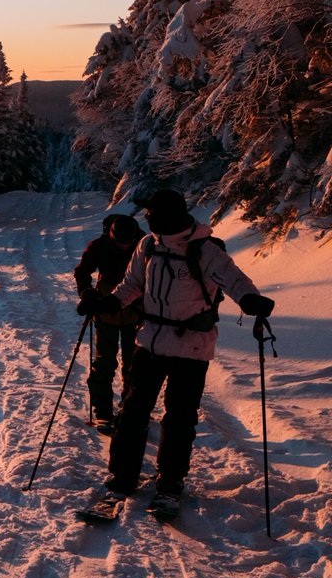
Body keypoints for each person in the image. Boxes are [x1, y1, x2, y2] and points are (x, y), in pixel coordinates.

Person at [77, 189, 275, 511]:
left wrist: (250, 300)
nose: (147, 217)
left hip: (192, 347)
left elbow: (234, 280)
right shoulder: (149, 244)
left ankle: (170, 483)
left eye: (152, 213)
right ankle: (122, 477)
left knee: (179, 417)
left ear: (168, 215)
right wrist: (107, 301)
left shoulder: (206, 250)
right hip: (151, 339)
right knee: (132, 412)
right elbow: (132, 285)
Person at [74, 213, 145, 433]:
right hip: (106, 311)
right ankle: (103, 411)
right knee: (105, 361)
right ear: (112, 236)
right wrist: (86, 293)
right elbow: (82, 272)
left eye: (128, 243)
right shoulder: (99, 246)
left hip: (137, 310)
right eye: (120, 243)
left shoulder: (145, 245)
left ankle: (131, 405)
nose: (124, 246)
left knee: (135, 362)